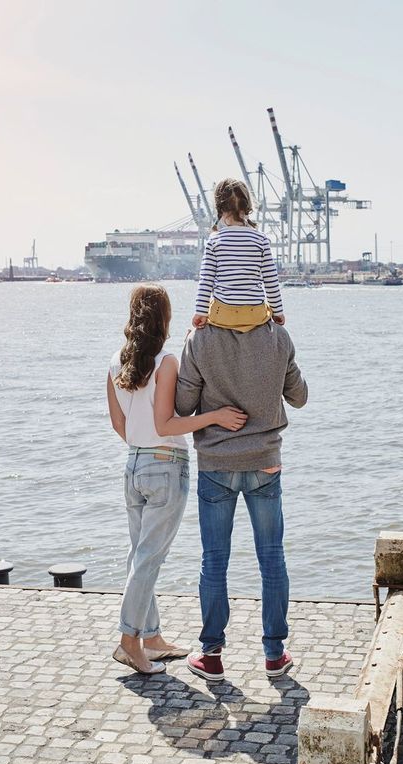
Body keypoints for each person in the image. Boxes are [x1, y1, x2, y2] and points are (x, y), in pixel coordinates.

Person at [106, 284, 247, 675]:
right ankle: (128, 642)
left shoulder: (115, 361)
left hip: (133, 465)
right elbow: (166, 423)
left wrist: (141, 448)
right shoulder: (166, 361)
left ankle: (150, 636)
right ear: (163, 319)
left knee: (140, 556)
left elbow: (119, 424)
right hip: (166, 464)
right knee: (149, 559)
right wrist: (214, 417)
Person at [175, 303, 308, 682]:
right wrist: (281, 355)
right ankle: (274, 655)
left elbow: (183, 405)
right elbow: (299, 397)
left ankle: (212, 656)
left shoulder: (199, 340)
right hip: (265, 461)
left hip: (216, 464)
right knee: (272, 558)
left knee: (214, 560)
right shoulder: (278, 337)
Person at [192, 179, 285, 333]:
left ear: (219, 208)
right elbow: (271, 281)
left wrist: (200, 312)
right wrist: (278, 311)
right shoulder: (261, 239)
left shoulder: (214, 240)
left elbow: (206, 280)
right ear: (248, 206)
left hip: (223, 315)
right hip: (255, 315)